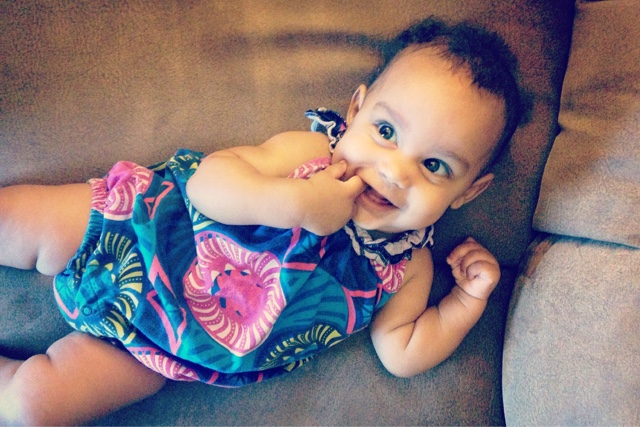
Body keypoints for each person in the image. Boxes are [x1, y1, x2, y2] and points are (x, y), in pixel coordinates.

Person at [0, 16, 522, 426]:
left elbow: (401, 353)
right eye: (385, 131)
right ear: (355, 110)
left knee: (33, 407)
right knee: (16, 221)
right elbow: (207, 183)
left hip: (160, 346)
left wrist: (466, 301)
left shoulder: (406, 266)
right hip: (136, 227)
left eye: (435, 166)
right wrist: (295, 203)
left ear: (468, 192)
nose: (395, 171)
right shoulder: (310, 155)